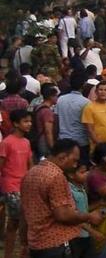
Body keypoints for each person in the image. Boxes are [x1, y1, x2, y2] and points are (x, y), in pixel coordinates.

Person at [21, 139, 104, 258]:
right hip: (57, 244)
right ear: (62, 157)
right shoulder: (56, 176)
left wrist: (24, 243)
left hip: (37, 244)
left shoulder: (30, 173)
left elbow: (24, 212)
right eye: (74, 160)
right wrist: (89, 216)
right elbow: (63, 214)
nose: (75, 165)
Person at [0, 109, 33, 258]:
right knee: (19, 220)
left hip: (24, 185)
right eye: (25, 121)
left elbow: (30, 164)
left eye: (30, 121)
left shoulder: (26, 142)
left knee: (17, 222)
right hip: (11, 185)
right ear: (15, 123)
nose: (29, 124)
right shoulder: (7, 142)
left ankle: (18, 252)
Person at [57, 71, 92, 162]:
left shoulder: (60, 99)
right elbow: (88, 125)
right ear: (84, 84)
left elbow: (56, 120)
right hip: (81, 142)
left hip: (63, 140)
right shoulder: (86, 102)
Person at [82, 81, 106, 147]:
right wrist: (99, 145)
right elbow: (89, 130)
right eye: (101, 90)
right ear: (96, 92)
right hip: (98, 146)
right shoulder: (89, 107)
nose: (103, 92)